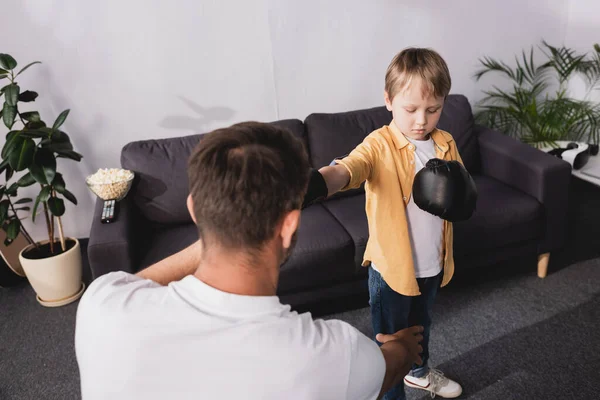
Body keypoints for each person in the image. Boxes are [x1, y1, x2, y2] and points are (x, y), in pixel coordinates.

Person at [75, 122, 425, 400]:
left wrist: (223, 228)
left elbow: (138, 283)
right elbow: (389, 368)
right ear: (289, 226)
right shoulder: (332, 355)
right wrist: (407, 346)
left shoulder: (102, 305)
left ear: (194, 208)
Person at [306, 48, 476, 399]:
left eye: (433, 109)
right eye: (410, 109)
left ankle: (419, 374)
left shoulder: (445, 143)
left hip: (431, 263)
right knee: (390, 342)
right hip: (391, 270)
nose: (421, 121)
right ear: (388, 100)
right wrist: (319, 182)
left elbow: (461, 190)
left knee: (420, 327)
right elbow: (350, 168)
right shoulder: (379, 145)